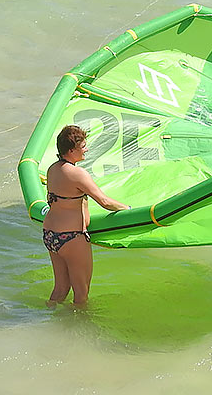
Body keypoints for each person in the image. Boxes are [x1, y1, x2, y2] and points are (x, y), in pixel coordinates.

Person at [43, 125, 129, 308]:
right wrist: (128, 209)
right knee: (81, 295)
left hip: (50, 235)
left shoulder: (52, 169)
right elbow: (104, 201)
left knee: (60, 289)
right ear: (71, 150)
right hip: (72, 237)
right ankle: (78, 325)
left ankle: (47, 319)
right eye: (83, 147)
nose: (86, 150)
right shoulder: (77, 174)